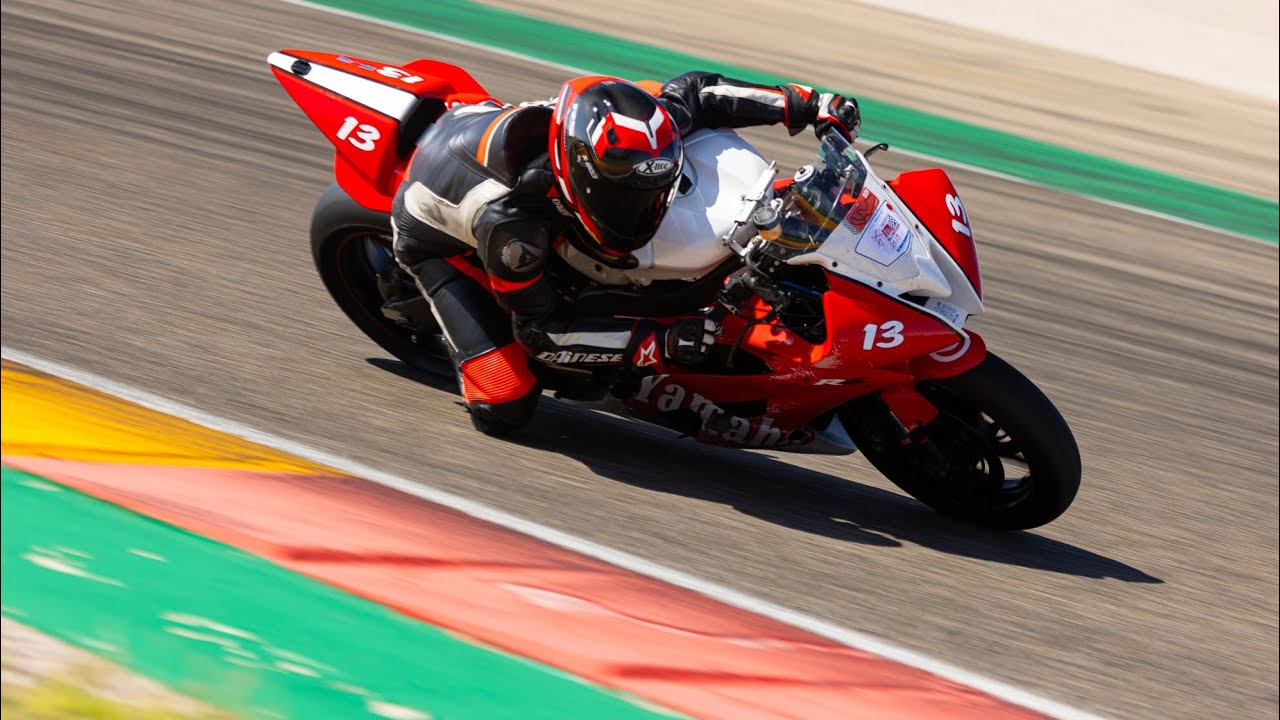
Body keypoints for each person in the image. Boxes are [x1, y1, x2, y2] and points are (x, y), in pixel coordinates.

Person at [390, 71, 861, 434]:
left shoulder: (629, 142)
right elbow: (541, 331)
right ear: (580, 180)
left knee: (655, 98)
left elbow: (696, 94)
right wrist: (658, 341)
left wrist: (807, 105)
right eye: (625, 196)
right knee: (504, 405)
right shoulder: (511, 227)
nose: (644, 208)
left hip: (526, 145)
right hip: (432, 228)